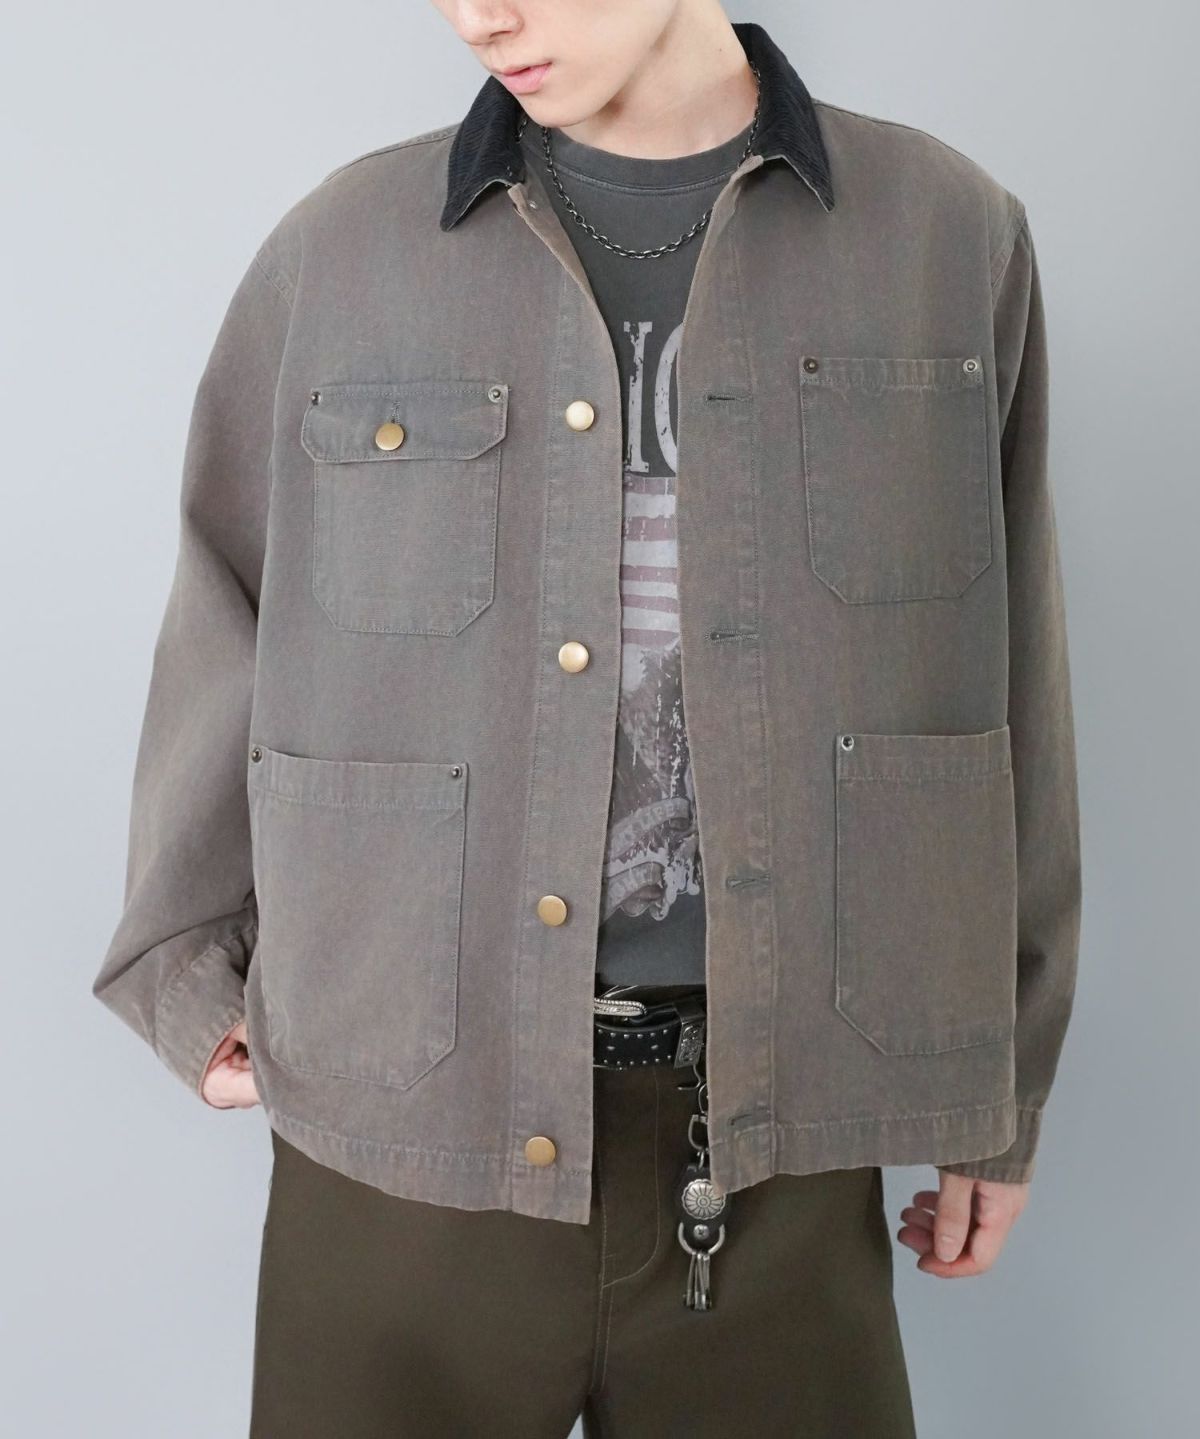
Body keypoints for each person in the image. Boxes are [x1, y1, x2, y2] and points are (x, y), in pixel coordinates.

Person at [92, 2, 1082, 1434]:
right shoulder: (343, 249)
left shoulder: (944, 237)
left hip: (785, 1150)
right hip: (409, 1152)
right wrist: (188, 971)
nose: (478, 13)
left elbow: (1005, 679)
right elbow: (223, 608)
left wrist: (1004, 1081)